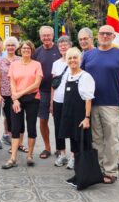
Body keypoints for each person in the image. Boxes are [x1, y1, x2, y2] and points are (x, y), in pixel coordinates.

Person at [81, 25, 119, 183]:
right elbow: (81, 78)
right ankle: (98, 170)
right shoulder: (88, 55)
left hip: (112, 104)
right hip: (91, 104)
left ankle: (111, 172)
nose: (104, 36)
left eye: (108, 34)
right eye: (102, 33)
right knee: (96, 140)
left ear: (113, 36)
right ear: (97, 36)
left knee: (111, 140)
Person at [2, 41, 43, 169]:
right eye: (24, 48)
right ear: (20, 50)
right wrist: (15, 99)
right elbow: (12, 82)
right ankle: (13, 157)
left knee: (31, 127)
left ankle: (30, 156)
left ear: (32, 50)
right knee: (15, 127)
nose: (26, 50)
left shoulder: (37, 64)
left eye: (28, 48)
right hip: (16, 100)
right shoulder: (14, 64)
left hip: (32, 98)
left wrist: (19, 94)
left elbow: (36, 84)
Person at [59, 47, 95, 186]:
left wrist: (86, 118)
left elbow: (88, 100)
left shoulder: (85, 76)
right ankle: (77, 176)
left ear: (80, 60)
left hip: (80, 117)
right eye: (70, 58)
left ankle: (84, 178)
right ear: (66, 60)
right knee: (74, 146)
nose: (72, 60)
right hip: (69, 116)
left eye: (75, 58)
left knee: (82, 147)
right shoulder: (68, 75)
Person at [32, 26, 61, 159]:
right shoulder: (37, 52)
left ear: (53, 35)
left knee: (59, 121)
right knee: (43, 120)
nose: (46, 38)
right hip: (42, 91)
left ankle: (60, 148)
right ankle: (47, 147)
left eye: (49, 35)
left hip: (59, 91)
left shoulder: (60, 50)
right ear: (40, 37)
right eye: (44, 36)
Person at [0, 36, 27, 153]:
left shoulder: (21, 60)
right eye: (8, 45)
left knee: (20, 117)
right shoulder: (1, 62)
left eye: (12, 45)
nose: (10, 47)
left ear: (16, 47)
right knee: (9, 119)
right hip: (6, 94)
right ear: (5, 47)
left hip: (19, 94)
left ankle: (20, 143)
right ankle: (13, 143)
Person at [50, 36, 73, 168]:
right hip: (58, 100)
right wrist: (52, 102)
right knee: (59, 128)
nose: (63, 47)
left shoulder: (76, 61)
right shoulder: (56, 63)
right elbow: (54, 84)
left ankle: (73, 156)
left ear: (70, 46)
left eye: (66, 45)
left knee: (73, 128)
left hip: (72, 101)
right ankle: (62, 154)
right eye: (61, 46)